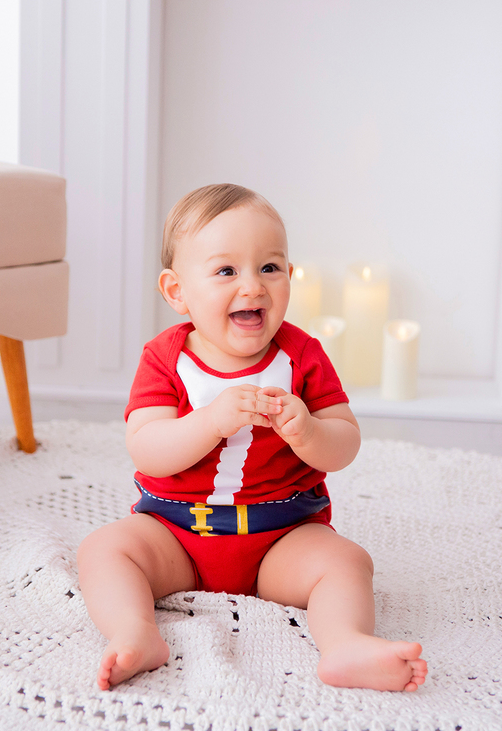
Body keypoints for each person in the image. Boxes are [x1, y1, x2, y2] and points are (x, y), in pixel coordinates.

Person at [76, 183, 427, 693]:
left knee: (347, 562)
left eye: (270, 267)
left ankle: (346, 643)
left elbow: (346, 442)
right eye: (226, 271)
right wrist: (210, 421)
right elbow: (147, 448)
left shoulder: (301, 355)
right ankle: (135, 631)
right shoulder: (165, 358)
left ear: (289, 275)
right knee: (104, 550)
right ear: (177, 292)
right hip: (178, 536)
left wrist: (308, 431)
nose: (253, 286)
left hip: (280, 539)